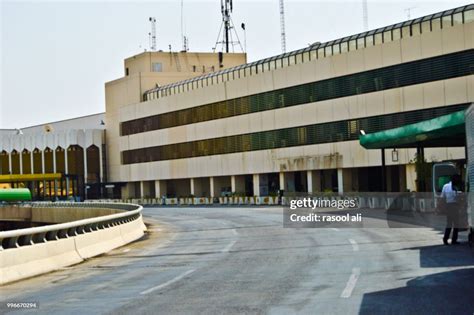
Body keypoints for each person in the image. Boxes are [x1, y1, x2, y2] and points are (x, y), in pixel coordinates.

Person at [442, 175, 461, 245]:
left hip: (448, 206)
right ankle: (454, 240)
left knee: (449, 224)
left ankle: (445, 239)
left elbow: (442, 197)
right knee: (456, 224)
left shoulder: (445, 186)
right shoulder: (456, 188)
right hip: (454, 206)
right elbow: (458, 198)